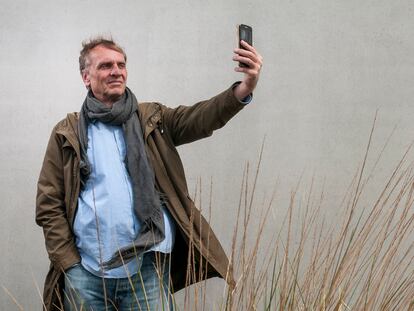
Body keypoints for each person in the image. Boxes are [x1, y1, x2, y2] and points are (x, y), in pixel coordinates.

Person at [36, 35, 262, 311]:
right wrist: (69, 262)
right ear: (86, 77)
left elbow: (202, 117)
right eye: (106, 65)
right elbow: (48, 204)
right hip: (88, 271)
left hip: (147, 268)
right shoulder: (67, 132)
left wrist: (244, 88)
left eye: (121, 64)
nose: (116, 71)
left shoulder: (153, 120)